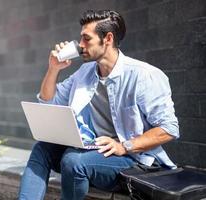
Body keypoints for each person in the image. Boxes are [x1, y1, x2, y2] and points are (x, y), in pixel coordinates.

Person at [18, 9, 179, 200]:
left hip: (133, 159)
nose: (80, 45)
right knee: (42, 148)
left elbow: (169, 128)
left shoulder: (143, 75)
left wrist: (124, 146)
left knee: (73, 161)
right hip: (94, 150)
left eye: (87, 39)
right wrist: (53, 68)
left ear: (108, 39)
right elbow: (48, 101)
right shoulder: (84, 73)